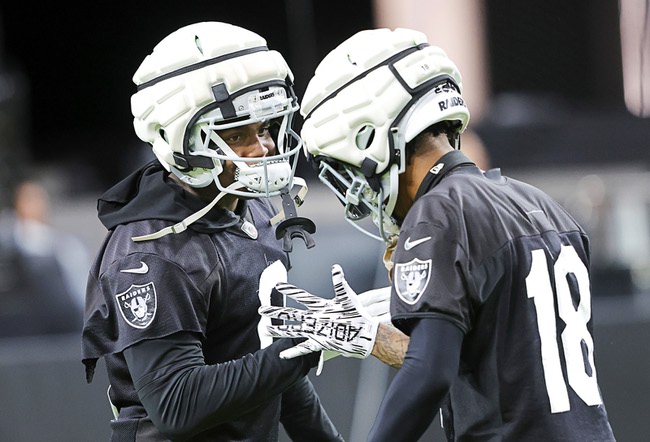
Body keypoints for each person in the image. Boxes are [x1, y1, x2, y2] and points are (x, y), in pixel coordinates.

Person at [260, 28, 616, 441]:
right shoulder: (544, 205)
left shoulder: (439, 213)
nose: (355, 194)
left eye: (349, 170)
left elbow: (428, 374)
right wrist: (376, 336)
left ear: (370, 138)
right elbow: (501, 359)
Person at [81, 21, 344, 441]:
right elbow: (176, 405)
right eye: (238, 134)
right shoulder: (152, 252)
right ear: (181, 141)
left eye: (264, 129)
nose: (263, 148)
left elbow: (269, 369)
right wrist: (311, 345)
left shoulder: (250, 211)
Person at [0, 178, 87, 337]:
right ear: (16, 204)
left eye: (38, 199)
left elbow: (81, 291)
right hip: (23, 330)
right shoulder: (10, 241)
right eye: (27, 199)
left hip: (65, 325)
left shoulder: (65, 246)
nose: (34, 205)